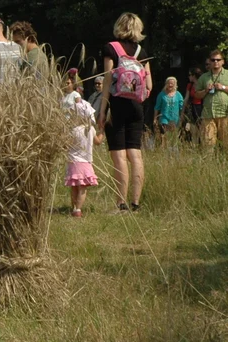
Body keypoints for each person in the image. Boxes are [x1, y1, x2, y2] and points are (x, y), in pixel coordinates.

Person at [97, 12, 152, 213]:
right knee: (135, 155)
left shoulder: (111, 48)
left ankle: (121, 204)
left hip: (116, 105)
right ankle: (136, 204)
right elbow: (149, 85)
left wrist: (102, 111)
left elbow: (107, 80)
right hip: (137, 107)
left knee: (119, 155)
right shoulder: (141, 51)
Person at [63, 84, 100, 218]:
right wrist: (103, 132)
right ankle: (78, 209)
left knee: (74, 187)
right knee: (82, 188)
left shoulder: (71, 130)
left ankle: (73, 207)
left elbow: (65, 145)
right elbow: (97, 142)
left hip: (72, 162)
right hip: (85, 162)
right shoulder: (90, 129)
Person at [194, 50, 228, 148]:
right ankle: (209, 162)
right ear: (210, 62)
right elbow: (196, 95)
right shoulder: (204, 77)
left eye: (218, 59)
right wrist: (205, 91)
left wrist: (222, 87)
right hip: (208, 114)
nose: (216, 62)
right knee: (208, 143)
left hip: (225, 113)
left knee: (226, 143)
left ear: (223, 61)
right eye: (213, 60)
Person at [153, 76, 184, 148]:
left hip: (175, 119)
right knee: (164, 136)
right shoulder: (161, 94)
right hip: (164, 118)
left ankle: (172, 152)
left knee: (173, 137)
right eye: (169, 83)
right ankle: (164, 149)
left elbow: (182, 106)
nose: (170, 85)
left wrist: (182, 115)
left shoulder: (178, 94)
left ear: (175, 84)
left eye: (172, 83)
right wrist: (155, 118)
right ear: (166, 84)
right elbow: (157, 107)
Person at [183, 67, 204, 143]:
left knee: (202, 130)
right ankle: (194, 146)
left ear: (194, 75)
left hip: (202, 107)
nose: (188, 77)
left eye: (190, 75)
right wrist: (183, 111)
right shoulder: (190, 85)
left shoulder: (203, 84)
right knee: (193, 130)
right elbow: (186, 98)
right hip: (193, 107)